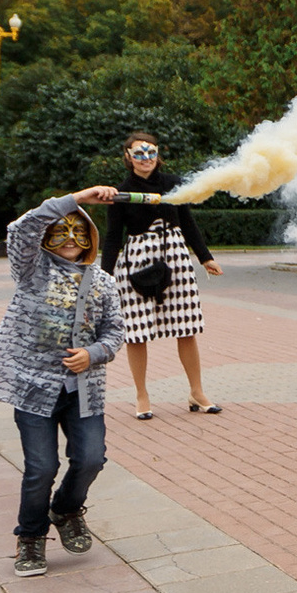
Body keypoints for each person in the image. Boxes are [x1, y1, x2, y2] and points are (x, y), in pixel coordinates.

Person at [0, 186, 125, 577]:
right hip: (34, 388)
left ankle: (67, 508)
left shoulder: (103, 282)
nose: (70, 237)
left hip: (83, 391)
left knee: (91, 458)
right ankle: (31, 537)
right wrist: (78, 198)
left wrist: (94, 354)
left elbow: (115, 333)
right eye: (61, 229)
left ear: (90, 237)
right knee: (41, 467)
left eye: (79, 230)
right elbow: (21, 229)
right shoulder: (32, 267)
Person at [104, 131, 223, 419]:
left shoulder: (173, 185)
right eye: (139, 154)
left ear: (158, 154)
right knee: (136, 332)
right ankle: (142, 395)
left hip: (175, 256)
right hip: (136, 261)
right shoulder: (120, 192)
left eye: (151, 152)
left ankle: (197, 391)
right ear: (128, 157)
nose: (146, 159)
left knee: (187, 327)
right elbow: (112, 237)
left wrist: (205, 257)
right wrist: (104, 275)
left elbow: (187, 222)